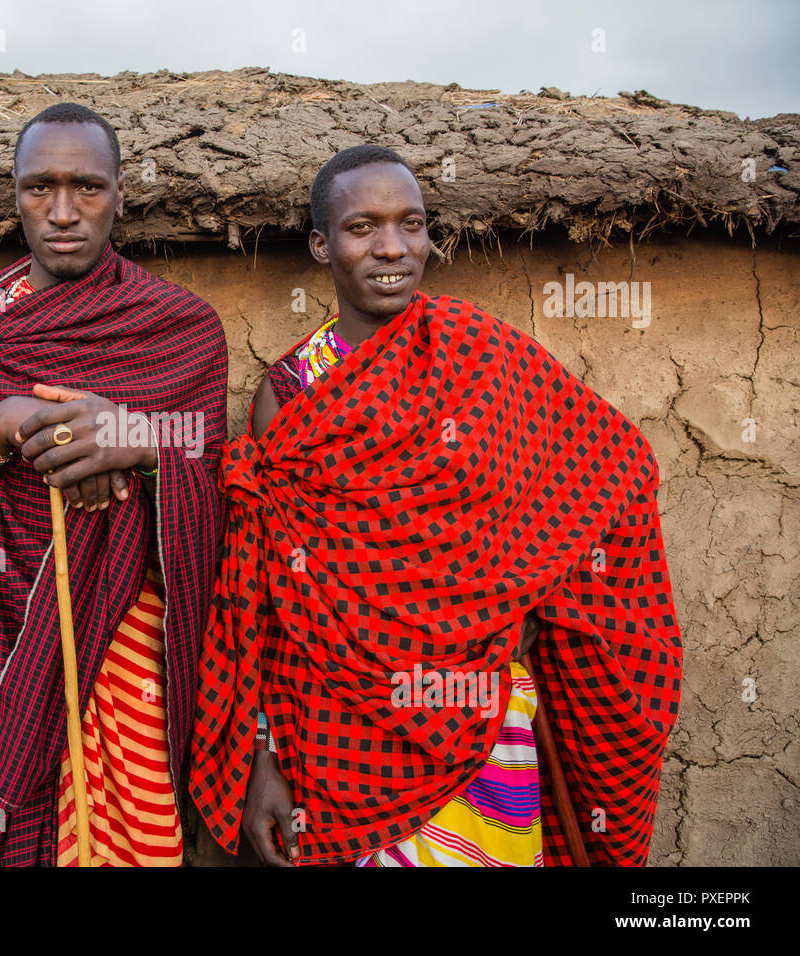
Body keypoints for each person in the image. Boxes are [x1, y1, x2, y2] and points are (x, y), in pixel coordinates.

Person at [190, 145, 683, 867]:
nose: (392, 247)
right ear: (323, 245)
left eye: (411, 224)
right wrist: (264, 760)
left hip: (487, 714)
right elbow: (274, 597)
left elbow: (609, 472)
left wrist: (529, 598)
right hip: (339, 731)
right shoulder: (293, 395)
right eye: (363, 228)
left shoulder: (485, 356)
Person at [0, 103, 227, 866]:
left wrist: (136, 443)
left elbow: (212, 494)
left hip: (125, 658)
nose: (63, 212)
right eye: (40, 188)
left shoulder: (180, 328)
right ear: (15, 195)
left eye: (88, 188)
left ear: (121, 193)